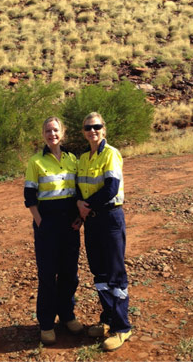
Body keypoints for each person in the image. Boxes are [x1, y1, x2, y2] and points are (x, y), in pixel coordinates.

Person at [24, 116, 83, 345]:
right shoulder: (35, 162)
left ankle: (67, 316)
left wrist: (79, 218)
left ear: (63, 132)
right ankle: (47, 323)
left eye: (56, 130)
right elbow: (30, 197)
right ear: (43, 134)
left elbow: (78, 192)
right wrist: (40, 222)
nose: (52, 134)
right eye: (48, 131)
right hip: (47, 226)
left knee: (69, 274)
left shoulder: (72, 159)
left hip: (70, 226)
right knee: (48, 276)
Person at [76, 112, 132, 351]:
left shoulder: (111, 154)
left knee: (115, 274)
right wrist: (80, 205)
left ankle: (122, 328)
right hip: (92, 221)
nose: (93, 131)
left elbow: (111, 188)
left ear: (104, 129)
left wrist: (86, 207)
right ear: (83, 132)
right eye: (88, 127)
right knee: (99, 273)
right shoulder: (83, 158)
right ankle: (108, 319)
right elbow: (78, 188)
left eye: (97, 126)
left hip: (109, 218)